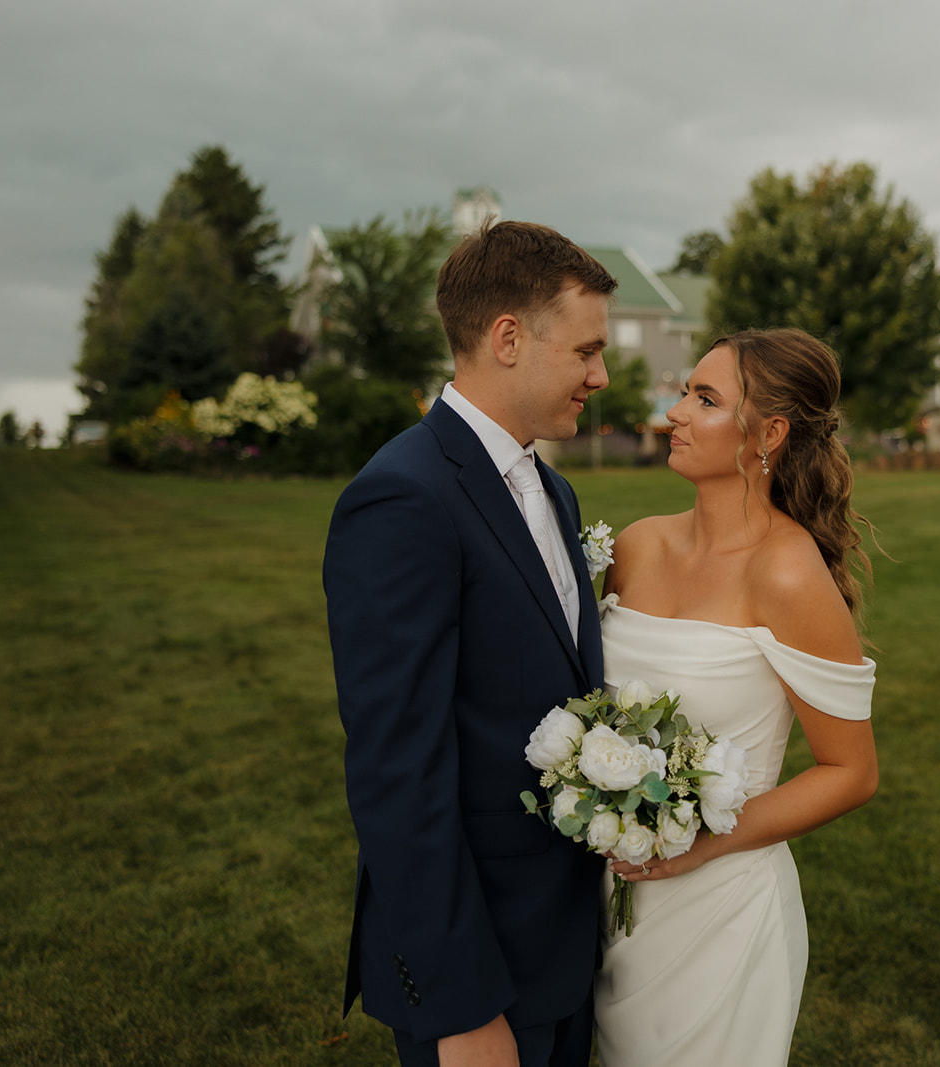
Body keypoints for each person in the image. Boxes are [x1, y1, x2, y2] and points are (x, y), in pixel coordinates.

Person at [323, 220, 618, 1067]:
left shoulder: (554, 492)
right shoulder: (402, 499)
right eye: (587, 351)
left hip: (564, 947)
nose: (601, 375)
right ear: (509, 338)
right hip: (481, 972)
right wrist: (462, 1006)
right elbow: (395, 771)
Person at [593, 328, 879, 1066]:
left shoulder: (788, 575)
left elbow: (850, 770)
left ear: (770, 434)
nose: (674, 412)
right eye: (686, 391)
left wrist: (700, 844)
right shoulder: (636, 547)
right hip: (607, 898)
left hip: (721, 909)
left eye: (705, 398)